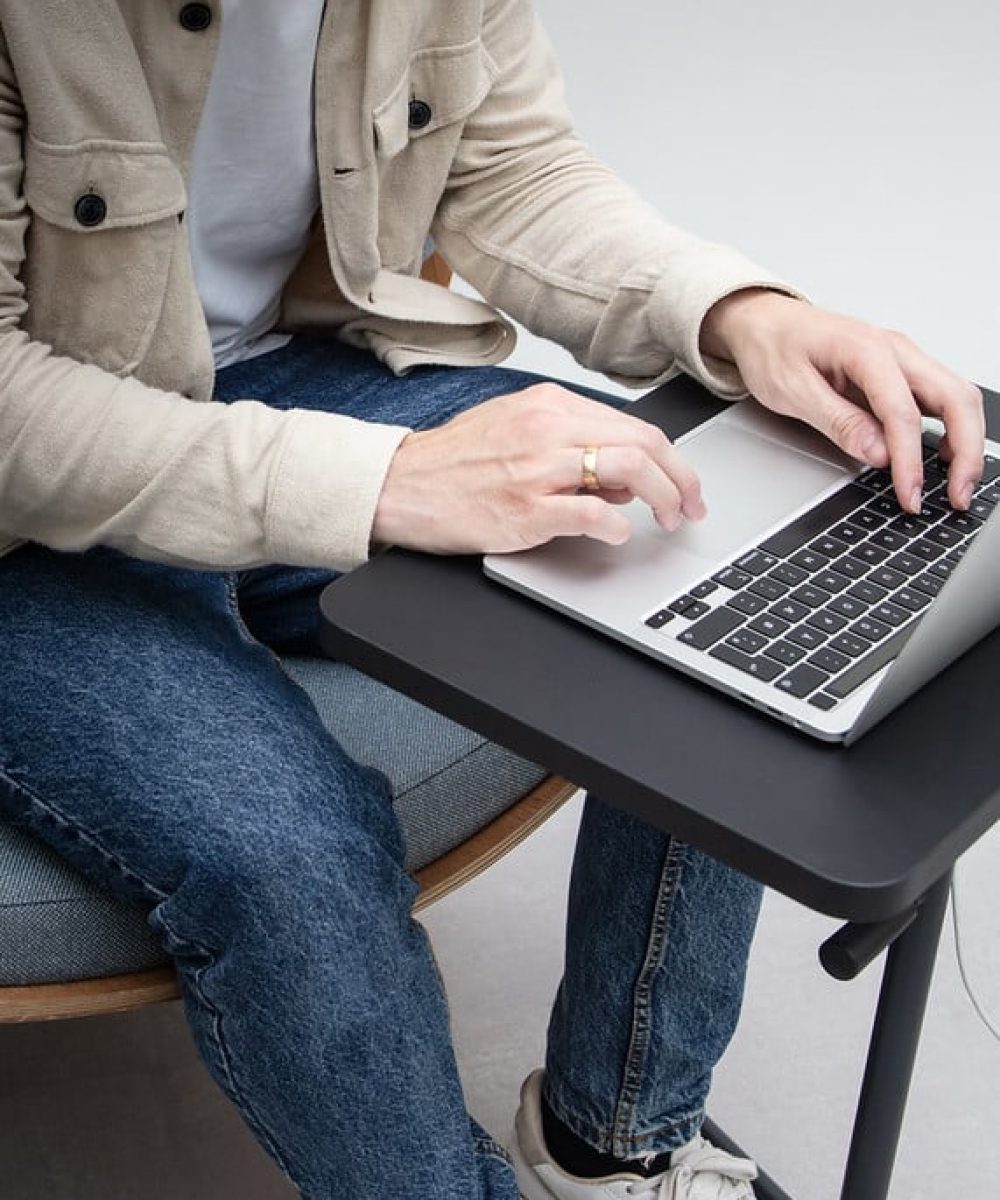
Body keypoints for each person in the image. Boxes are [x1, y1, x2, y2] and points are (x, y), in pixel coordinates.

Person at [0, 2, 982, 1199]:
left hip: (278, 384)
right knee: (290, 857)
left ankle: (614, 1145)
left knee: (697, 534)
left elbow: (512, 167)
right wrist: (387, 484)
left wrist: (738, 312)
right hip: (24, 526)